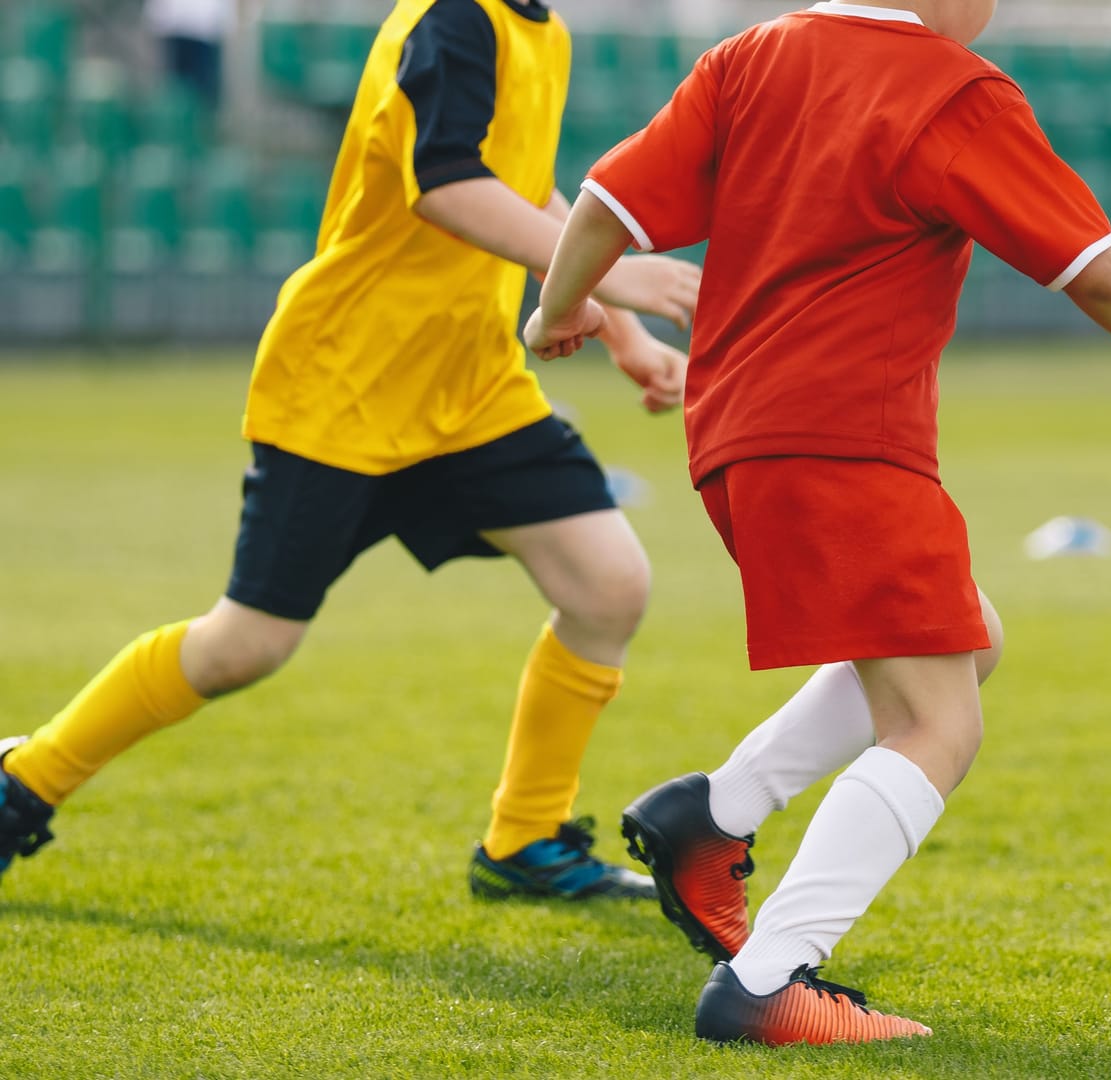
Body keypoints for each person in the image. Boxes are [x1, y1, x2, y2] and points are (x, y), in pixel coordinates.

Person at [529, 0, 1111, 1045]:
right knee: (938, 723)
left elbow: (605, 202)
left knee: (968, 637)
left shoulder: (748, 57)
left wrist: (558, 308)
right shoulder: (952, 90)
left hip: (734, 439)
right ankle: (769, 979)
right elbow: (1093, 265)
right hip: (846, 445)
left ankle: (712, 815)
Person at [0, 0, 704, 901]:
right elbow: (445, 183)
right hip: (347, 385)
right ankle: (28, 778)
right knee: (246, 645)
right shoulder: (454, 18)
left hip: (469, 388)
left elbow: (521, 188)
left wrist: (615, 330)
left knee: (608, 584)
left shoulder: (543, 29)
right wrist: (611, 272)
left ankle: (524, 841)